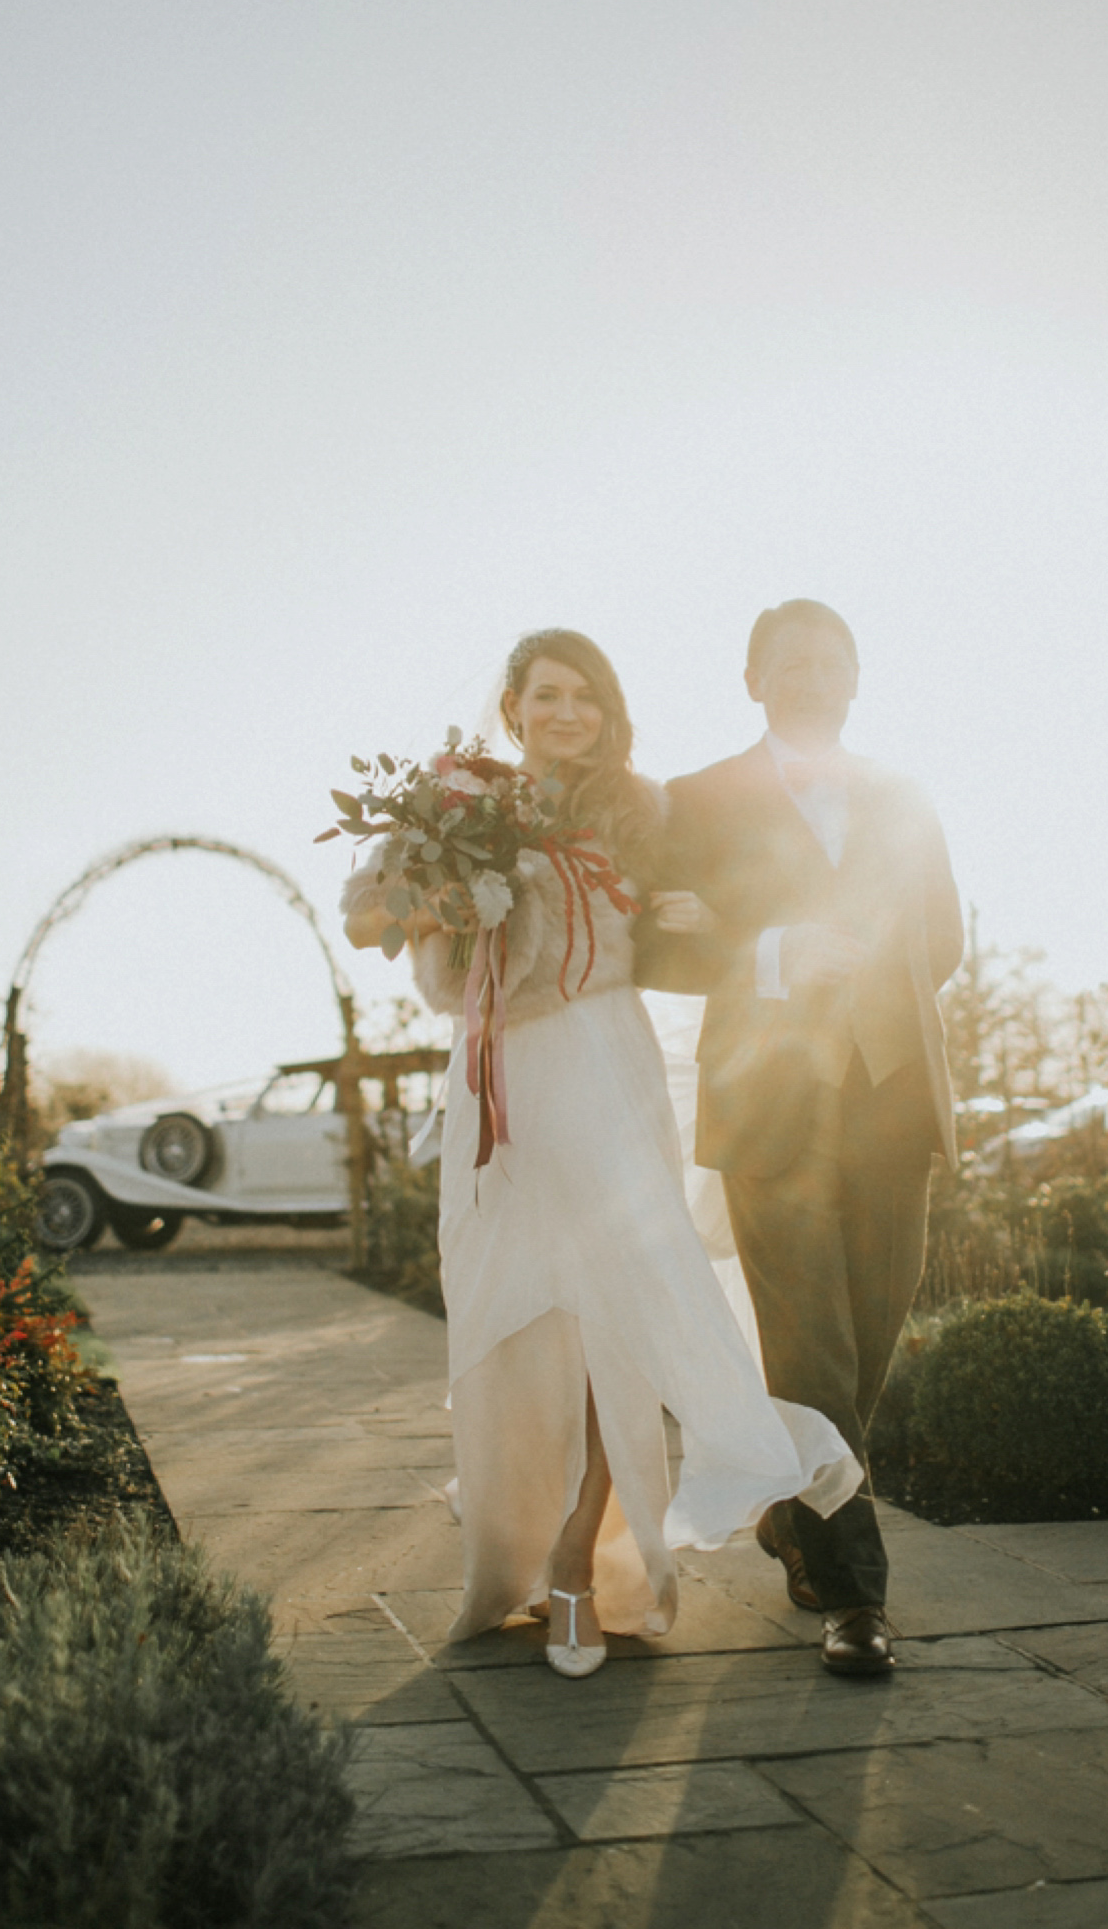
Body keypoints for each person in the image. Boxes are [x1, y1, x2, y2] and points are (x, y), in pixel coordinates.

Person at [341, 629, 860, 1679]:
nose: (567, 711)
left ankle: (584, 1562)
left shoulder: (644, 810)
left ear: (606, 709)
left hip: (603, 1067)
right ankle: (515, 1561)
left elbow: (706, 928)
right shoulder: (460, 800)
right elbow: (367, 919)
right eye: (547, 694)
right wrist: (441, 895)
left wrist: (707, 918)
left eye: (585, 694)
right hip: (498, 1081)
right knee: (509, 1315)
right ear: (515, 707)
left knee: (613, 1308)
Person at [636, 600, 963, 1676]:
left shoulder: (904, 794)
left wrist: (871, 989)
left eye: (832, 662)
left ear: (858, 679)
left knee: (869, 1336)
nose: (813, 676)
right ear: (751, 679)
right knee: (811, 1347)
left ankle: (793, 1506)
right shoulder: (698, 800)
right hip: (768, 1100)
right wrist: (774, 954)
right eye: (791, 662)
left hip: (890, 1097)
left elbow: (944, 939)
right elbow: (658, 945)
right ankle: (856, 1599)